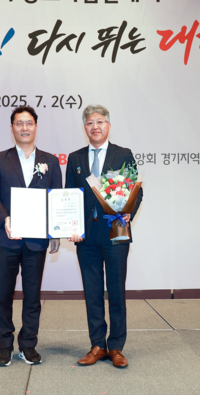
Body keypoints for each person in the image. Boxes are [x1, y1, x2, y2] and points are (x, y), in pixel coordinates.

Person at [65, 104, 143, 369]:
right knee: (92, 291)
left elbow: (137, 191)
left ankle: (117, 347)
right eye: (90, 123)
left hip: (116, 229)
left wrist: (128, 212)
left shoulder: (123, 154)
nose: (95, 126)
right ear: (84, 127)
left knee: (117, 290)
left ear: (108, 125)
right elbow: (69, 195)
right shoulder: (75, 158)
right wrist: (71, 226)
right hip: (86, 235)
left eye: (99, 122)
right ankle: (98, 345)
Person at [0, 105, 62, 367]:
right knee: (4, 294)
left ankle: (28, 345)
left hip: (36, 241)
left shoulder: (50, 161)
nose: (24, 128)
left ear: (36, 127)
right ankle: (4, 345)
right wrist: (5, 218)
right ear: (12, 128)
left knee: (32, 296)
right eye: (19, 123)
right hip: (7, 239)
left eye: (29, 123)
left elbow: (56, 198)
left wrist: (56, 232)